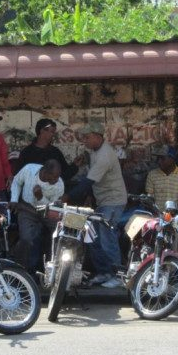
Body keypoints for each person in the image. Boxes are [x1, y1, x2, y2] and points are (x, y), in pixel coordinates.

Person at [63, 119, 127, 288]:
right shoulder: (93, 151)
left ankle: (118, 276)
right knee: (94, 238)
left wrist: (66, 197)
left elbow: (87, 182)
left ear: (98, 137)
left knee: (108, 239)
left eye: (87, 137)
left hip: (113, 202)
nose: (84, 140)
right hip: (102, 201)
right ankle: (104, 272)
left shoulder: (105, 155)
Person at [10, 160, 64, 274]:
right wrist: (14, 199)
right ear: (45, 172)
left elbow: (52, 207)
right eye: (53, 177)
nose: (56, 180)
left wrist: (40, 198)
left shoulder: (59, 185)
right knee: (26, 238)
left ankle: (52, 270)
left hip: (48, 211)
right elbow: (16, 182)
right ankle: (21, 270)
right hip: (27, 209)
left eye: (58, 177)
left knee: (59, 235)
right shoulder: (29, 169)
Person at [145, 146, 178, 210]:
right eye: (158, 158)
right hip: (157, 214)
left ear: (172, 159)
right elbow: (150, 197)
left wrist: (174, 214)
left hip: (175, 215)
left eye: (162, 158)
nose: (159, 161)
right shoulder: (152, 174)